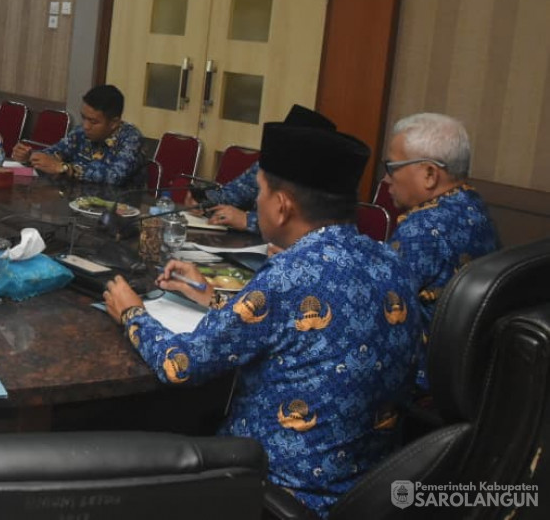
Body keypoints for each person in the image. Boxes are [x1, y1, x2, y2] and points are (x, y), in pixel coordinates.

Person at [103, 123, 421, 517]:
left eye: (260, 193)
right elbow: (299, 328)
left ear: (282, 205)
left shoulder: (289, 273)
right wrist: (210, 297)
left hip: (279, 488)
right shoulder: (393, 262)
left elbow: (181, 365)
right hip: (368, 488)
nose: (256, 203)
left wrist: (132, 312)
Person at [383, 112, 497, 391]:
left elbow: (375, 302)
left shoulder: (422, 230)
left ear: (430, 174)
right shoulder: (472, 205)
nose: (386, 179)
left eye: (391, 167)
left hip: (420, 380)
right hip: (469, 376)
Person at [201, 104, 335, 232]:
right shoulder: (271, 162)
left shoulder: (323, 184)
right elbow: (237, 192)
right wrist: (204, 200)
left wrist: (248, 220)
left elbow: (304, 227)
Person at [10, 84, 144, 186]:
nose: (86, 126)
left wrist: (64, 168)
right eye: (83, 118)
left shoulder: (131, 138)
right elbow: (55, 152)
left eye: (93, 121)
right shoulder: (81, 132)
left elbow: (115, 176)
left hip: (116, 210)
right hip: (78, 200)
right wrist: (30, 156)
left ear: (114, 123)